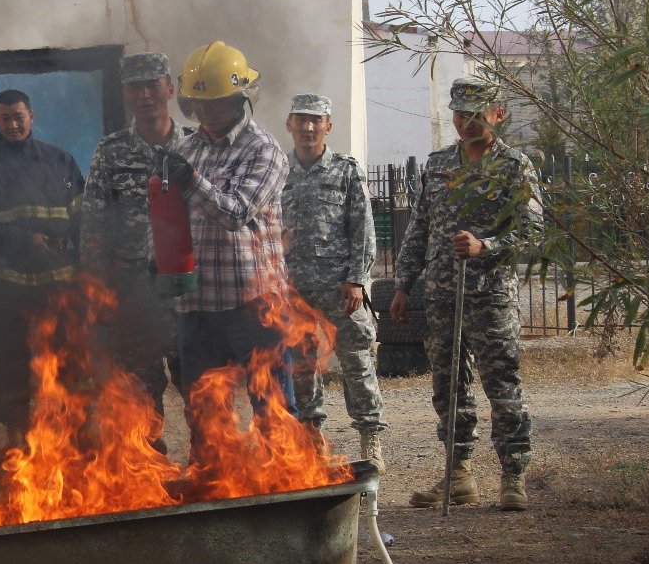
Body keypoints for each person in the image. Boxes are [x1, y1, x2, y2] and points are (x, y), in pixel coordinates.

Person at [390, 75, 542, 512]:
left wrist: (485, 247)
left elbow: (534, 231)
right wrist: (402, 285)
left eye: (476, 115)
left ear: (499, 114)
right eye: (459, 114)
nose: (466, 123)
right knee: (449, 387)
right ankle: (458, 475)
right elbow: (419, 227)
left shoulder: (514, 166)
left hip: (490, 295)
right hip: (441, 295)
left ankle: (513, 476)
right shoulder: (438, 164)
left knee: (501, 384)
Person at [151, 41, 294, 452]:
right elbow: (165, 216)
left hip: (253, 304)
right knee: (205, 410)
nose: (204, 112)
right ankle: (212, 482)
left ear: (238, 99)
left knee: (273, 407)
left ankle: (284, 486)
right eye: (197, 103)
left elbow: (235, 213)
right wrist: (155, 259)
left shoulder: (263, 150)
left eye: (213, 103)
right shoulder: (185, 147)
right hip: (197, 306)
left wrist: (191, 180)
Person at [0, 89, 85, 444]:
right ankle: (16, 436)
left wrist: (72, 248)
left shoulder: (60, 161)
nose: (13, 124)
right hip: (6, 286)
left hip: (60, 283)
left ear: (32, 115)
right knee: (10, 363)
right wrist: (23, 240)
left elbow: (83, 217)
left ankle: (69, 433)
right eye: (5, 118)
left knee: (67, 359)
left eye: (19, 117)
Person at [80, 52, 192, 443]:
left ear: (170, 88)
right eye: (135, 87)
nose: (145, 94)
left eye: (152, 84)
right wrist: (97, 293)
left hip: (188, 294)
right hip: (133, 294)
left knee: (200, 388)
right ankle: (152, 478)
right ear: (126, 94)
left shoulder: (195, 148)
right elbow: (93, 226)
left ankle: (211, 473)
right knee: (140, 394)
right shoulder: (110, 151)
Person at [281, 93, 386, 469]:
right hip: (295, 290)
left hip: (341, 290)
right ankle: (312, 439)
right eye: (301, 120)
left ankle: (370, 437)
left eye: (316, 120)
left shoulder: (345, 169)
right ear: (289, 125)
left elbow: (363, 227)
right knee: (302, 366)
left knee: (356, 362)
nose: (308, 128)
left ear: (328, 126)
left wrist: (357, 279)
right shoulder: (278, 170)